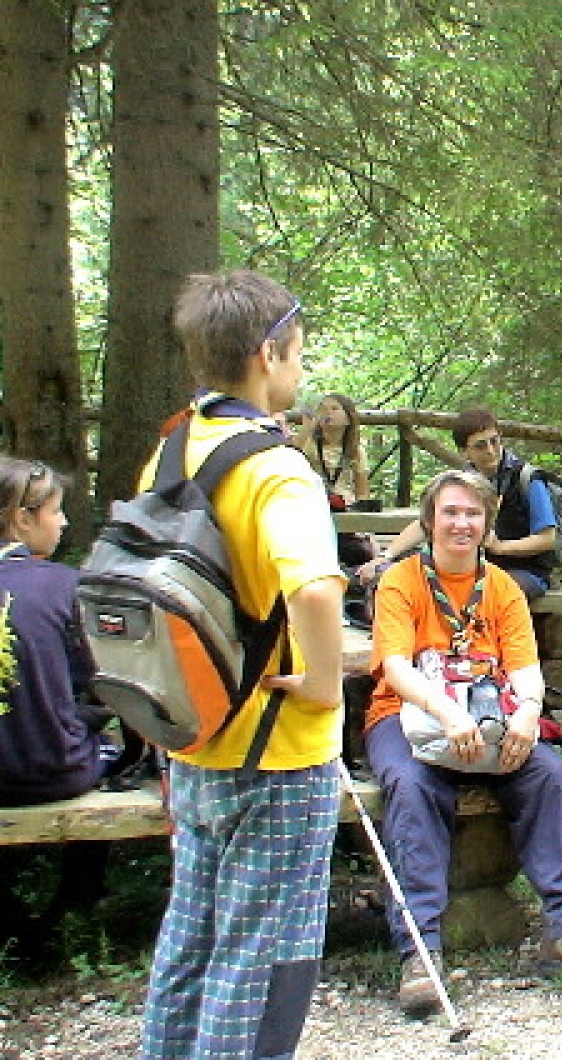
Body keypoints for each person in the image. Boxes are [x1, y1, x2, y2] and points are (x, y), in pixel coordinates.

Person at [141, 271, 347, 1059]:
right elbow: (317, 592)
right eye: (296, 351)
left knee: (191, 942)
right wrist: (326, 686)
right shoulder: (274, 466)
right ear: (268, 354)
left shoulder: (174, 444)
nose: (300, 365)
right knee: (259, 958)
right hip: (276, 751)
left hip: (192, 734)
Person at [364, 468, 562, 1017]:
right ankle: (421, 949)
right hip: (408, 716)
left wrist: (529, 715)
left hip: (491, 715)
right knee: (412, 787)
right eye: (450, 512)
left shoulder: (503, 588)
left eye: (472, 514)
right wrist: (446, 715)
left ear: (487, 524)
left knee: (549, 775)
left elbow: (525, 669)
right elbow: (395, 667)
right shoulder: (401, 581)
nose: (461, 523)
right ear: (429, 520)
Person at [0, 458, 111, 806]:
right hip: (54, 774)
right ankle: (86, 863)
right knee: (109, 746)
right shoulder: (65, 586)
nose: (64, 522)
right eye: (56, 510)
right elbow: (102, 681)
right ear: (22, 519)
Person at [369, 408, 558, 601]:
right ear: (464, 452)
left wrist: (501, 547)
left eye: (494, 441)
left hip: (527, 572)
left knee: (482, 590)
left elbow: (547, 538)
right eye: (480, 446)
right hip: (476, 567)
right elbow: (426, 523)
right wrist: (387, 555)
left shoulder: (528, 479)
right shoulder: (465, 480)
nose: (491, 450)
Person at [296, 392, 371, 510]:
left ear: (348, 419)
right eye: (323, 409)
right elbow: (292, 455)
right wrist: (306, 428)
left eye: (334, 408)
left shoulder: (355, 450)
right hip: (313, 506)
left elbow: (362, 492)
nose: (327, 412)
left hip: (346, 507)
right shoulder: (309, 444)